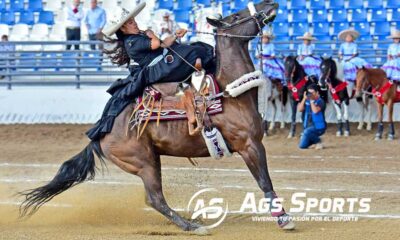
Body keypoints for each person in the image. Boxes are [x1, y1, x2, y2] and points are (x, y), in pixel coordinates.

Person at [86, 3, 215, 140]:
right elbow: (156, 44)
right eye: (130, 22)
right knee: (191, 52)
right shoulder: (131, 42)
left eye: (133, 20)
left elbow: (163, 44)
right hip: (159, 69)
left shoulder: (137, 36)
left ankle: (199, 69)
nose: (135, 24)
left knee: (195, 48)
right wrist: (150, 33)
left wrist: (175, 36)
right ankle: (197, 68)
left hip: (162, 60)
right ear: (123, 28)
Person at [338, 29, 372, 94]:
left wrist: (349, 58)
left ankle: (355, 79)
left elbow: (354, 54)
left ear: (352, 38)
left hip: (352, 58)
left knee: (352, 64)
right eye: (347, 37)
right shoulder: (342, 45)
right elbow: (340, 52)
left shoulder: (354, 45)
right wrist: (341, 57)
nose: (348, 38)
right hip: (344, 58)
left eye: (350, 37)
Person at [298, 84, 326, 150]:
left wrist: (312, 101)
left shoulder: (320, 101)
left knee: (307, 132)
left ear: (317, 92)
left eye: (312, 92)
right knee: (302, 146)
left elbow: (315, 111)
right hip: (308, 126)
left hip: (318, 127)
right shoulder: (307, 100)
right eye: (309, 92)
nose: (310, 94)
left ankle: (318, 141)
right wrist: (304, 99)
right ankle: (314, 142)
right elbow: (300, 109)